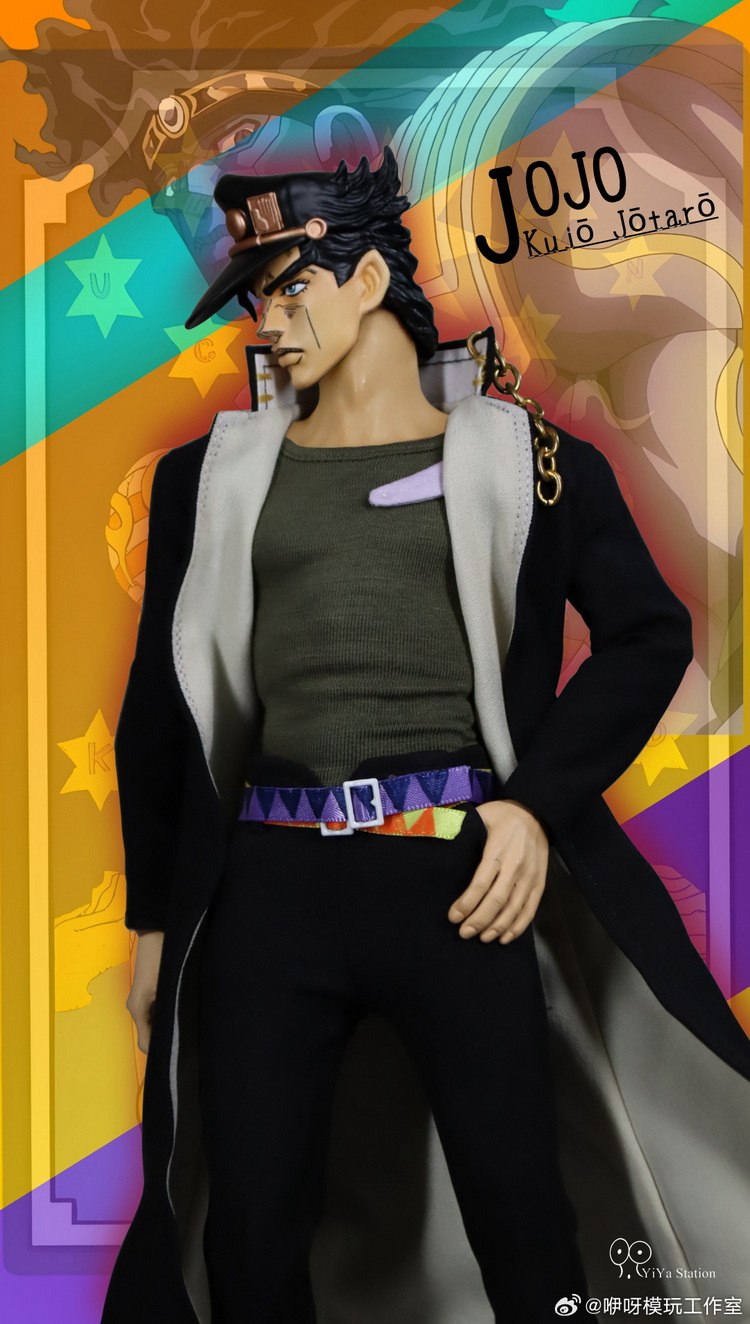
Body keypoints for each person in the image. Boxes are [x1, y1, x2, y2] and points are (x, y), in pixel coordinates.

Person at [101, 149, 750, 1324]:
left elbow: (648, 636)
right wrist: (155, 920)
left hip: (459, 877)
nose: (266, 320)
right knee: (248, 1225)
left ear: (366, 279)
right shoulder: (210, 479)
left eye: (289, 288)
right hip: (267, 886)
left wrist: (533, 805)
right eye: (254, 298)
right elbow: (160, 708)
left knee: (523, 1211)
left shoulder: (532, 462)